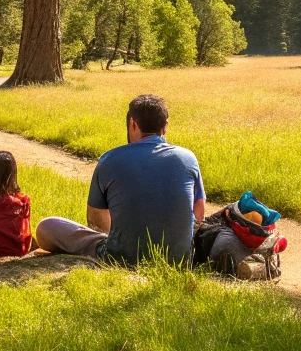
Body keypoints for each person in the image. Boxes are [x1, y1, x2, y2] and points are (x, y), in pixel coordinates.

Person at [34, 94, 205, 265]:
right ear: (165, 126)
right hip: (179, 259)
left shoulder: (110, 159)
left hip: (120, 258)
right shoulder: (188, 158)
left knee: (46, 226)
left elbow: (95, 220)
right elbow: (199, 212)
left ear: (133, 123)